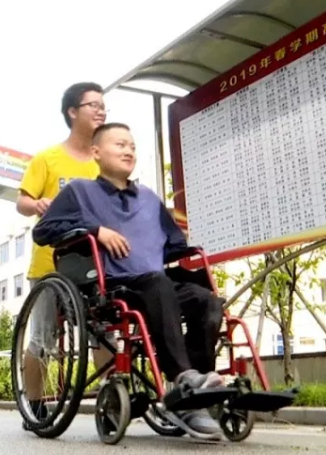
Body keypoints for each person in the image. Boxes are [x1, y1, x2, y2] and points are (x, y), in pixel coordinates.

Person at [32, 122, 226, 440]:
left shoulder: (149, 199)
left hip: (157, 284)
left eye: (132, 146)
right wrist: (96, 230)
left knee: (206, 300)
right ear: (96, 152)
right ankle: (182, 379)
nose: (128, 151)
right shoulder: (79, 192)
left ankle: (197, 392)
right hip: (113, 285)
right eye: (120, 145)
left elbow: (175, 244)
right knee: (158, 284)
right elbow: (43, 231)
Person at [16, 82, 116, 426]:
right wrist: (37, 204)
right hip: (50, 265)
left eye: (103, 105)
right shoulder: (48, 159)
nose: (101, 111)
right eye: (93, 105)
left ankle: (111, 400)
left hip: (93, 264)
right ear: (73, 112)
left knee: (104, 333)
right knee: (42, 339)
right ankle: (34, 406)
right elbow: (22, 201)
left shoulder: (104, 162)